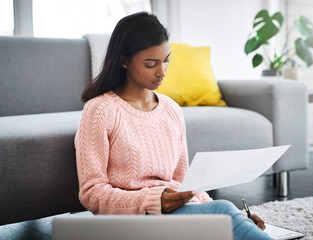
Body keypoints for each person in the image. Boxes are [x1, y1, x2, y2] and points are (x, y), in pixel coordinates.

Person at [75, 11, 272, 240]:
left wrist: (238, 218)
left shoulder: (171, 109)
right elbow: (91, 194)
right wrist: (154, 201)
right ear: (123, 60)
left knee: (225, 213)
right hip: (131, 220)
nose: (162, 72)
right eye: (151, 64)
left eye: (166, 60)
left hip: (175, 214)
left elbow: (185, 182)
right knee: (223, 213)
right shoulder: (100, 111)